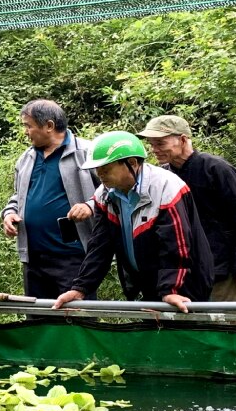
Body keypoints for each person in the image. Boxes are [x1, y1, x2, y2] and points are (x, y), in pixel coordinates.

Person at [54, 131, 214, 312]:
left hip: (185, 284)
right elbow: (100, 246)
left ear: (132, 163)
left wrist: (171, 290)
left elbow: (176, 245)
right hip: (148, 282)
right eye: (97, 169)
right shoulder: (105, 193)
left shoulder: (165, 187)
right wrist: (80, 288)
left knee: (186, 336)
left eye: (105, 169)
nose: (100, 175)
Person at [138, 115, 236, 302]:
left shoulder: (216, 168)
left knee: (224, 323)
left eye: (160, 144)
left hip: (219, 265)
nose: (154, 150)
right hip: (181, 269)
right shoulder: (162, 175)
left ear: (182, 139)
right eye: (151, 144)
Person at [0, 100, 99, 298]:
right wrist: (9, 212)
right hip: (33, 259)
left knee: (75, 318)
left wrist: (90, 205)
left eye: (28, 126)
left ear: (49, 126)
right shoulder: (26, 157)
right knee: (38, 320)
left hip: (73, 257)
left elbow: (113, 188)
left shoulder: (87, 152)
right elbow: (18, 195)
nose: (26, 132)